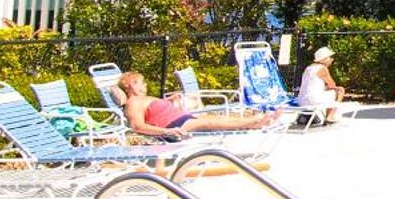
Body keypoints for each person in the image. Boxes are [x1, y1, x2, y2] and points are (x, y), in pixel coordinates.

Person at [116, 71, 274, 140]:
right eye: (140, 83)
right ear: (129, 86)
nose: (145, 86)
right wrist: (167, 131)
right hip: (175, 126)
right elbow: (137, 126)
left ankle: (255, 121)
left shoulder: (145, 98)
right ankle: (254, 123)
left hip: (182, 118)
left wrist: (169, 101)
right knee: (208, 122)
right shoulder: (133, 103)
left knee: (214, 118)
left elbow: (155, 111)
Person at [297, 46, 346, 123]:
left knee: (330, 91)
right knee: (340, 90)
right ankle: (330, 117)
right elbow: (332, 85)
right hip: (313, 101)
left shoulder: (308, 68)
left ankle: (309, 116)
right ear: (325, 59)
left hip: (301, 100)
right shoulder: (322, 68)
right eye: (330, 57)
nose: (332, 60)